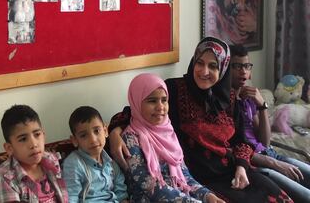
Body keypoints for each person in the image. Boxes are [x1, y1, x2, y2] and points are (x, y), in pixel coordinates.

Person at [109, 37, 294, 202]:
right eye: (200, 63)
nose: (204, 71)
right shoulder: (173, 89)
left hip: (233, 171)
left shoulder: (229, 99)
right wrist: (115, 131)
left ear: (222, 69)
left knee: (279, 197)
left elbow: (241, 142)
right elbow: (136, 110)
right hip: (199, 179)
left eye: (213, 66)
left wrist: (242, 167)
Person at [122, 73, 225, 202]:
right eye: (152, 101)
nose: (160, 107)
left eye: (164, 100)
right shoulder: (130, 139)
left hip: (179, 197)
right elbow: (150, 186)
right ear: (136, 101)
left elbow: (185, 177)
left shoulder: (168, 132)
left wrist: (207, 196)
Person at [230, 44, 310, 202]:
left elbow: (265, 142)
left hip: (271, 154)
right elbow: (233, 148)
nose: (243, 71)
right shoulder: (224, 103)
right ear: (226, 68)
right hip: (255, 164)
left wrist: (262, 105)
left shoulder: (248, 99)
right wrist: (275, 164)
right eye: (237, 66)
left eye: (246, 66)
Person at [0, 104, 68, 202]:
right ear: (9, 148)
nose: (33, 144)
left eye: (37, 134)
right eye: (23, 139)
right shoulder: (5, 179)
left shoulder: (51, 159)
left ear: (43, 136)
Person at [62, 106, 129, 203]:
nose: (93, 140)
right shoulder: (74, 164)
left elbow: (121, 192)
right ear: (75, 140)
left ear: (105, 131)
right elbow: (70, 198)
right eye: (84, 135)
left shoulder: (112, 163)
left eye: (97, 131)